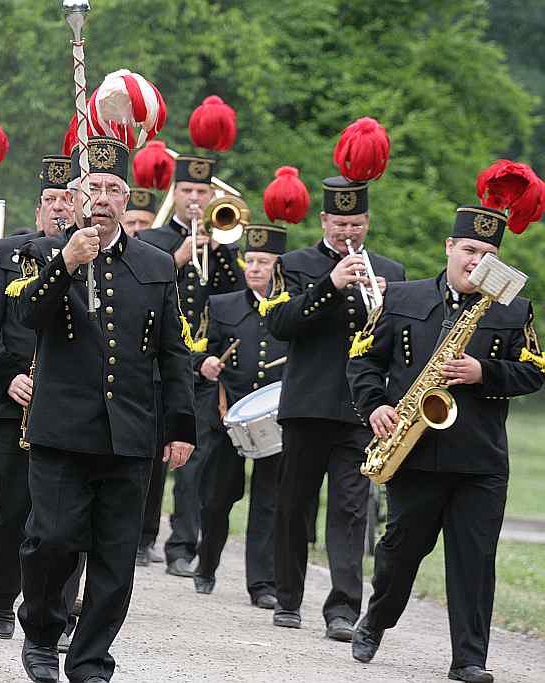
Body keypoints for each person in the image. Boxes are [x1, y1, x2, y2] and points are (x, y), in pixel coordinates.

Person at [13, 136, 195, 683]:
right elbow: (28, 318)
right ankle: (42, 634)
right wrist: (66, 263)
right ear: (75, 196)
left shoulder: (155, 264)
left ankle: (91, 659)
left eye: (115, 189)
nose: (104, 197)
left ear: (126, 199)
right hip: (62, 431)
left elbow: (173, 351)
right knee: (52, 540)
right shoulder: (44, 253)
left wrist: (180, 426)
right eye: (93, 186)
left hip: (130, 434)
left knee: (116, 562)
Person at [347, 203, 543, 683]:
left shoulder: (514, 308)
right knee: (400, 550)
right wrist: (375, 406)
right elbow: (362, 361)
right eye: (471, 249)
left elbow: (535, 369)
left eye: (490, 253)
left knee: (475, 559)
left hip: (480, 460)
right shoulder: (400, 297)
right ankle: (376, 619)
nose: (478, 261)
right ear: (450, 247)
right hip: (414, 454)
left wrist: (486, 373)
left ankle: (468, 659)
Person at [266, 173, 405, 639]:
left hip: (360, 410)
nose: (349, 232)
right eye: (341, 223)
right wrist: (329, 284)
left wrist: (387, 305)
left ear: (368, 222)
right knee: (293, 506)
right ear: (324, 219)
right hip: (307, 406)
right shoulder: (294, 263)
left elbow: (396, 344)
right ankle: (288, 598)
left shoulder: (392, 270)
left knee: (351, 509)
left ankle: (343, 609)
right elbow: (281, 324)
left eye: (358, 224)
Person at [0, 154, 74, 639]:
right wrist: (7, 376)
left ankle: (57, 609)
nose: (59, 208)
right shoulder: (7, 253)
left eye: (68, 199)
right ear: (37, 210)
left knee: (67, 517)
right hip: (14, 404)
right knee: (8, 508)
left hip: (70, 407)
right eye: (50, 200)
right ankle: (1, 595)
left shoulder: (98, 259)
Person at [138, 153, 243, 578]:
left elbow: (235, 301)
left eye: (203, 192)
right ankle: (141, 536)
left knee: (192, 459)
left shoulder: (223, 245)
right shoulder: (155, 241)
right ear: (175, 194)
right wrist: (181, 256)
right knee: (147, 454)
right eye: (188, 191)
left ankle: (182, 545)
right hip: (155, 362)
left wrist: (220, 254)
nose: (196, 199)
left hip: (200, 366)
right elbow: (142, 288)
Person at [192, 222, 289, 607]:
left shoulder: (291, 309)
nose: (254, 268)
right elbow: (195, 349)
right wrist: (205, 363)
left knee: (269, 501)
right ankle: (207, 564)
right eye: (250, 260)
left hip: (276, 422)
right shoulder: (221, 305)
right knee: (217, 499)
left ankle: (261, 584)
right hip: (226, 419)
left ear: (278, 267)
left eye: (263, 262)